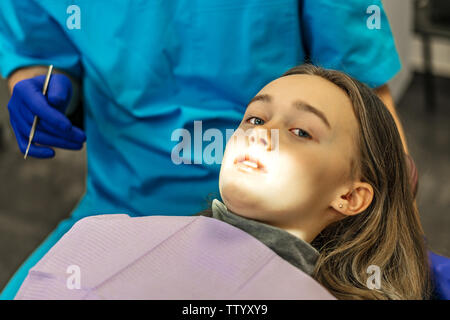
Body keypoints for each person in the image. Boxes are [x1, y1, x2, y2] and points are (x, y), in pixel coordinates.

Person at [0, 0, 410, 299]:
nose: (258, 135)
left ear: (353, 195)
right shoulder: (89, 245)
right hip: (122, 196)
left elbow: (366, 109)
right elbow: (37, 48)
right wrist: (34, 82)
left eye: (300, 131)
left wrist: (395, 236)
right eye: (254, 118)